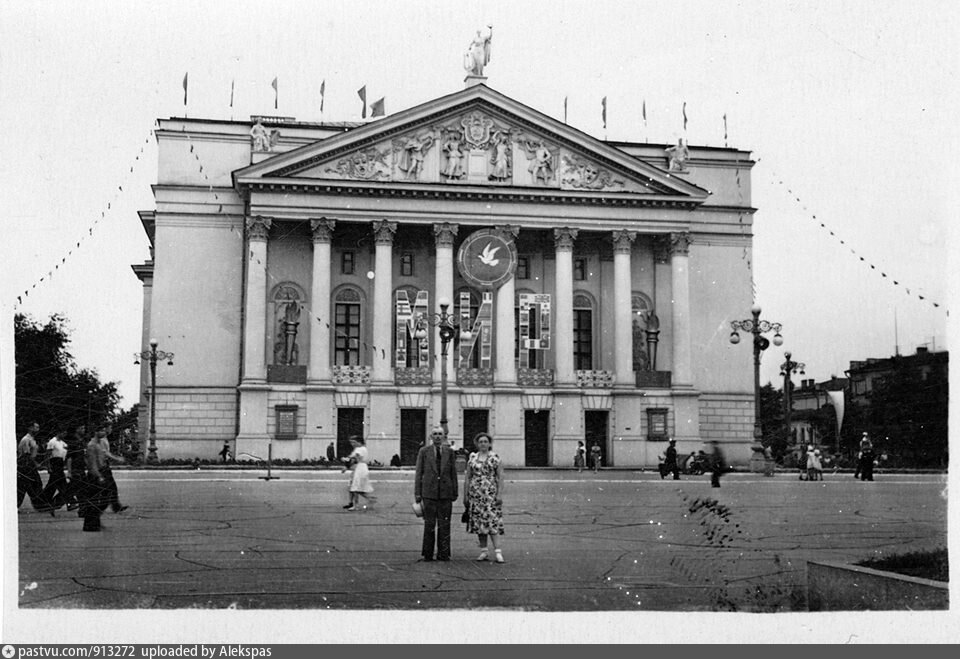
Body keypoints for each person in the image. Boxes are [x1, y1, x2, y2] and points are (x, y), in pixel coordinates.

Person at [414, 426, 459, 562]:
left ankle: (444, 553)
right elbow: (419, 473)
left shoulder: (449, 452)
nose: (438, 437)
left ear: (444, 436)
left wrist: (455, 491)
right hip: (429, 493)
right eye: (435, 434)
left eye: (440, 434)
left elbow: (453, 473)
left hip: (445, 493)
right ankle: (427, 553)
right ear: (431, 437)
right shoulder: (424, 451)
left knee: (444, 524)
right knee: (429, 524)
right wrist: (417, 492)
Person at [463, 432, 505, 563]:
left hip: (490, 495)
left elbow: (500, 476)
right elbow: (468, 477)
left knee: (492, 522)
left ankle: (498, 552)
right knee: (479, 524)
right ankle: (484, 551)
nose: (483, 444)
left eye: (485, 441)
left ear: (489, 443)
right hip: (476, 495)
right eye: (480, 442)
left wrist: (499, 494)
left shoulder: (494, 458)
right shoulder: (473, 458)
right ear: (477, 443)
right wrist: (466, 495)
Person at [95, 425, 129, 514]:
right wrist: (117, 458)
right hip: (102, 466)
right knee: (109, 487)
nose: (111, 430)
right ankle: (101, 507)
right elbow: (105, 453)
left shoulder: (104, 438)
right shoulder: (102, 440)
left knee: (110, 487)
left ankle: (115, 506)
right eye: (110, 428)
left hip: (104, 465)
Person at [17, 422, 49, 513]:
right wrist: (35, 464)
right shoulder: (26, 439)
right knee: (28, 486)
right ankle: (38, 505)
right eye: (36, 427)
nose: (38, 429)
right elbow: (26, 455)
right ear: (30, 428)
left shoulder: (32, 439)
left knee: (32, 485)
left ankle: (39, 505)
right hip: (26, 465)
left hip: (29, 465)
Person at [342, 436, 376, 510]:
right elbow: (352, 458)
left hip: (360, 468)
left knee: (355, 487)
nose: (352, 444)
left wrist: (346, 466)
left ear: (359, 442)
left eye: (354, 442)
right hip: (360, 467)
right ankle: (369, 499)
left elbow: (354, 459)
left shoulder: (360, 449)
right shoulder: (360, 449)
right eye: (351, 442)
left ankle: (356, 505)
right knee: (355, 487)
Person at [40, 428, 70, 510]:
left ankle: (45, 501)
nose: (64, 435)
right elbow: (47, 455)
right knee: (58, 485)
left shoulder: (62, 443)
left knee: (53, 485)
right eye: (63, 433)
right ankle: (68, 502)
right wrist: (48, 467)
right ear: (59, 432)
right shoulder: (52, 442)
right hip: (54, 463)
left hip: (60, 464)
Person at [64, 424, 88, 512]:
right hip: (75, 468)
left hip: (80, 468)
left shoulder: (80, 441)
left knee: (76, 488)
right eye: (81, 428)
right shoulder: (74, 441)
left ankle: (80, 508)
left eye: (84, 428)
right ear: (77, 429)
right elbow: (69, 457)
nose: (84, 430)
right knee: (79, 488)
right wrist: (69, 471)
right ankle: (55, 504)